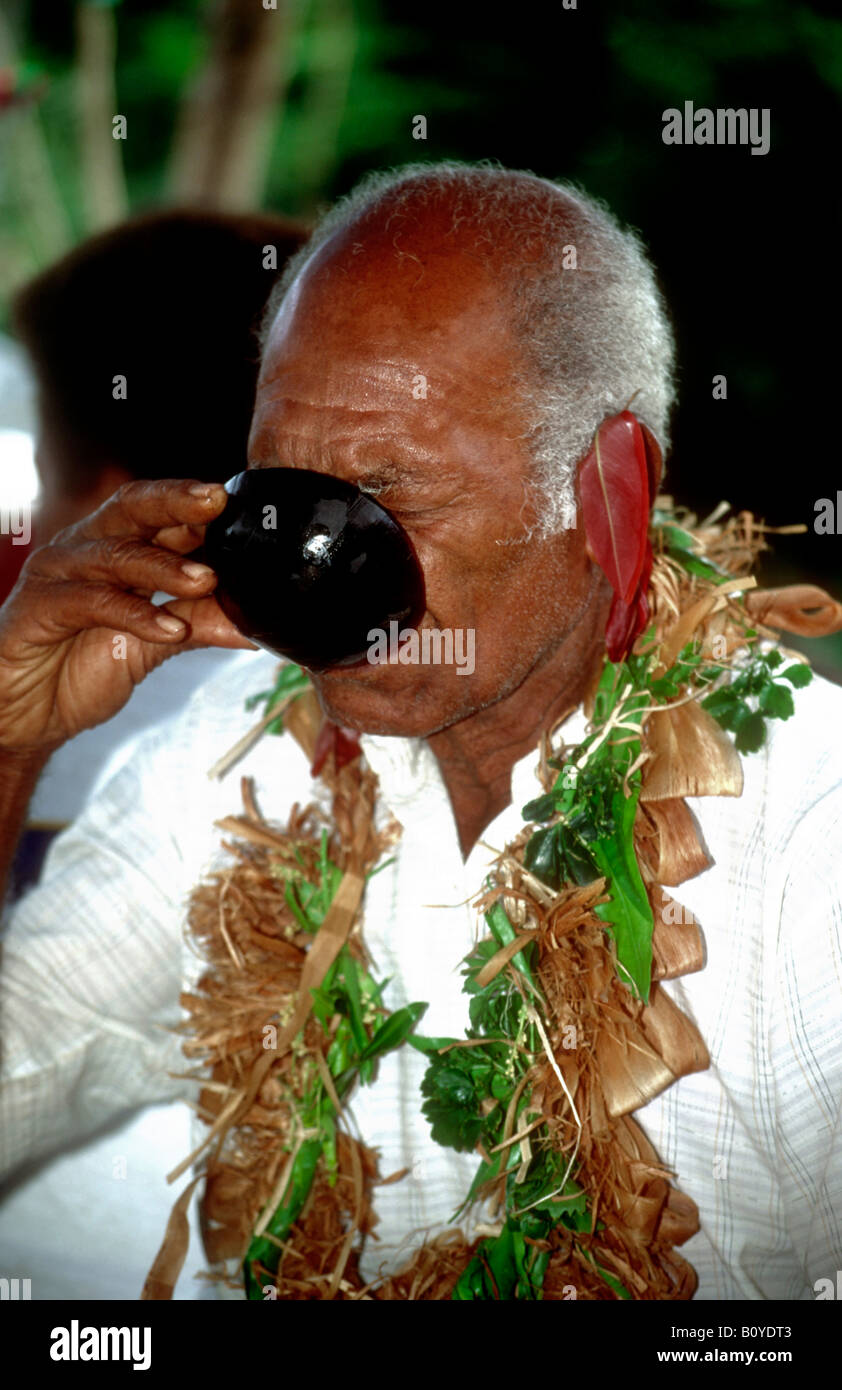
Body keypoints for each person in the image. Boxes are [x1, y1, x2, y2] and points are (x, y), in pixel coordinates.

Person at [0, 162, 839, 1301]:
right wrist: (9, 731)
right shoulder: (236, 751)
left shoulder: (808, 843)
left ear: (607, 498)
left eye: (394, 496)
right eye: (287, 489)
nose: (320, 568)